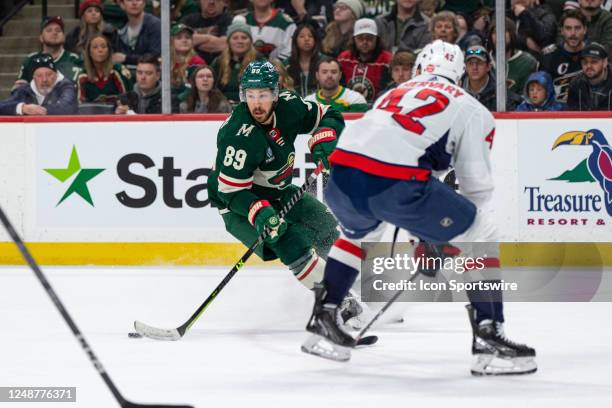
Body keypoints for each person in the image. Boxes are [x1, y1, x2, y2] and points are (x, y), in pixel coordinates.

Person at [301, 40, 537, 376]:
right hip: (394, 182)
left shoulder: (394, 93)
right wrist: (441, 239)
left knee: (357, 235)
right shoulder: (470, 108)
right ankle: (489, 332)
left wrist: (427, 234)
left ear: (418, 69)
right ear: (458, 73)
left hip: (343, 175)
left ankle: (325, 315)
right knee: (481, 231)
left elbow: (389, 150)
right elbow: (476, 187)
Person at [206, 60, 364, 324]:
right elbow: (231, 192)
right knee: (288, 241)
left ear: (276, 93)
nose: (256, 104)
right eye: (251, 96)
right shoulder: (238, 133)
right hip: (238, 204)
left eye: (264, 95)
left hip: (278, 190)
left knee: (325, 227)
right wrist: (260, 213)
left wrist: (325, 142)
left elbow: (330, 115)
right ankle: (337, 303)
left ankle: (360, 285)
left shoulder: (290, 106)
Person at [0, 53, 78, 116]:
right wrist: (22, 108)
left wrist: (37, 110)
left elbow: (67, 107)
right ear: (33, 77)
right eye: (39, 76)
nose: (44, 79)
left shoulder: (66, 86)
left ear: (56, 74)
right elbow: (2, 106)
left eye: (49, 74)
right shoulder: (25, 90)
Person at [15, 16, 82, 87]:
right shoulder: (31, 60)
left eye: (58, 30)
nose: (54, 33)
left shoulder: (74, 59)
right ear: (41, 38)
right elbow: (18, 90)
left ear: (64, 37)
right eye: (49, 30)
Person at [338, 18, 392, 103]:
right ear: (354, 39)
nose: (365, 42)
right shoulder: (344, 58)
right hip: (347, 108)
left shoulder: (387, 60)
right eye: (360, 38)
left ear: (376, 39)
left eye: (369, 38)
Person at [541, 9, 588, 103]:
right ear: (562, 31)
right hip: (557, 113)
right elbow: (542, 91)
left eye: (577, 28)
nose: (573, 33)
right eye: (568, 28)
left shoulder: (595, 55)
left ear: (585, 30)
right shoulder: (549, 55)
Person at [461, 45, 523, 111]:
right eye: (470, 63)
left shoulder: (502, 95)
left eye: (479, 63)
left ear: (488, 67)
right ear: (465, 67)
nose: (474, 68)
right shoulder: (456, 90)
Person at [77, 33, 133, 104]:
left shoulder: (119, 70)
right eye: (95, 47)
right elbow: (80, 106)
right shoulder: (83, 76)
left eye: (103, 47)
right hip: (92, 113)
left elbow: (129, 100)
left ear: (109, 51)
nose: (100, 50)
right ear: (89, 53)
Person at [211, 20, 258, 105]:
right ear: (229, 41)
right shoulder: (218, 62)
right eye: (235, 38)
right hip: (223, 108)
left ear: (250, 41)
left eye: (244, 38)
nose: (240, 41)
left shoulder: (260, 62)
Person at [488, 17, 539, 95]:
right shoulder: (484, 61)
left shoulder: (528, 62)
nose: (499, 35)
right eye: (495, 32)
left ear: (512, 34)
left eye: (504, 31)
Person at [180, 0, 233, 65]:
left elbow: (223, 45)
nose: (211, 2)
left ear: (224, 2)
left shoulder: (228, 19)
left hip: (219, 66)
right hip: (192, 66)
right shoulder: (188, 20)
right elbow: (180, 42)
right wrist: (208, 37)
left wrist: (195, 42)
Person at [114, 0, 161, 71]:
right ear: (122, 5)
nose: (134, 3)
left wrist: (126, 58)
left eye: (138, 0)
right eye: (130, 0)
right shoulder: (120, 28)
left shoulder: (155, 24)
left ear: (144, 3)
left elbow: (155, 56)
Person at [567, 42, 612, 110]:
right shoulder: (575, 84)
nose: (589, 66)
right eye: (585, 62)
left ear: (605, 62)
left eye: (594, 62)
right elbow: (572, 114)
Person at [170, 23, 206, 103]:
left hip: (191, 103)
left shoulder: (197, 62)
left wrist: (177, 100)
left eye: (188, 37)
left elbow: (194, 90)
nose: (184, 40)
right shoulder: (166, 62)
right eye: (179, 38)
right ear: (171, 41)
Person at [287, 23, 322, 97]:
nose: (307, 39)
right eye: (302, 36)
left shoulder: (324, 62)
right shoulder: (287, 64)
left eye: (310, 36)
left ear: (315, 40)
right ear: (295, 41)